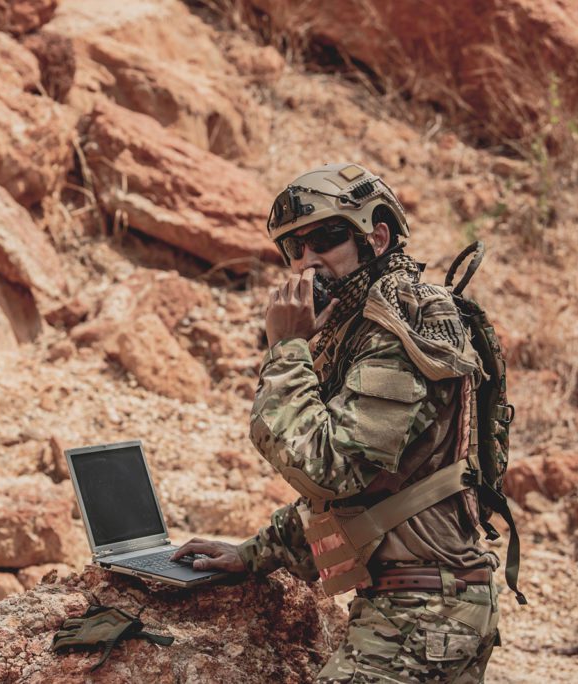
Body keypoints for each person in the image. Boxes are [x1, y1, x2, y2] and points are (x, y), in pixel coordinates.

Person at [172, 163, 502, 682]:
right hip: (419, 602)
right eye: (294, 249)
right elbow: (361, 498)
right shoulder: (361, 326)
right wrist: (253, 554)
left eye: (325, 237)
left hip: (424, 610)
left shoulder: (401, 320)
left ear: (377, 235)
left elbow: (328, 470)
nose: (308, 261)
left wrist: (286, 349)